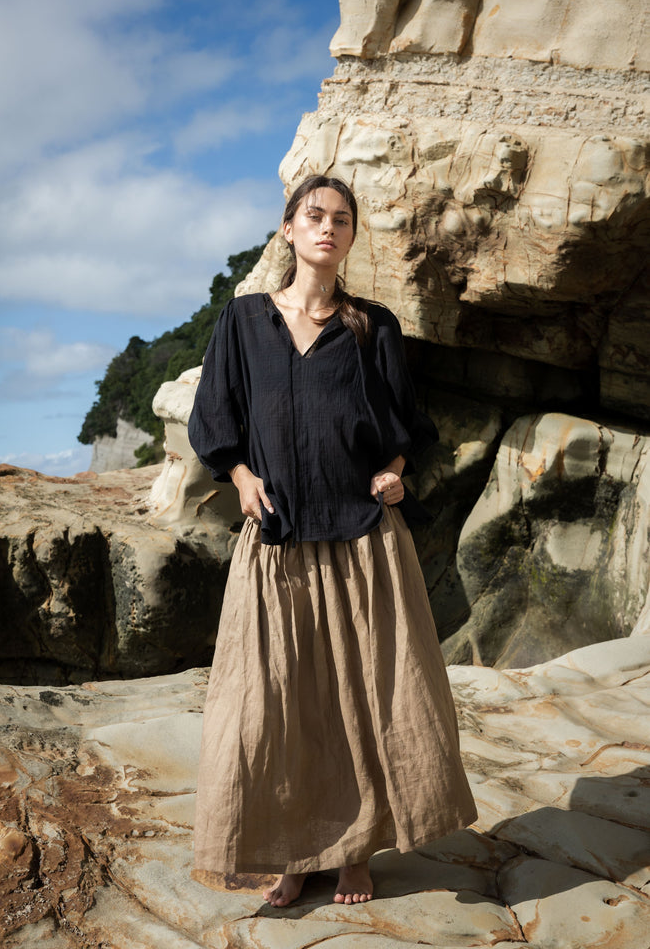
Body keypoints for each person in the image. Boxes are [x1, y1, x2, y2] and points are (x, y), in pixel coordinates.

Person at [188, 174, 477, 908]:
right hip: (276, 541)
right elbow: (215, 417)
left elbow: (405, 427)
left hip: (362, 540)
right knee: (276, 707)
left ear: (350, 237)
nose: (327, 228)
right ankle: (294, 854)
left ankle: (354, 855)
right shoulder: (243, 320)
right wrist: (240, 477)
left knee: (369, 699)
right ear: (287, 229)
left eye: (341, 219)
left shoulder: (371, 325)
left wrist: (394, 474)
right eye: (314, 215)